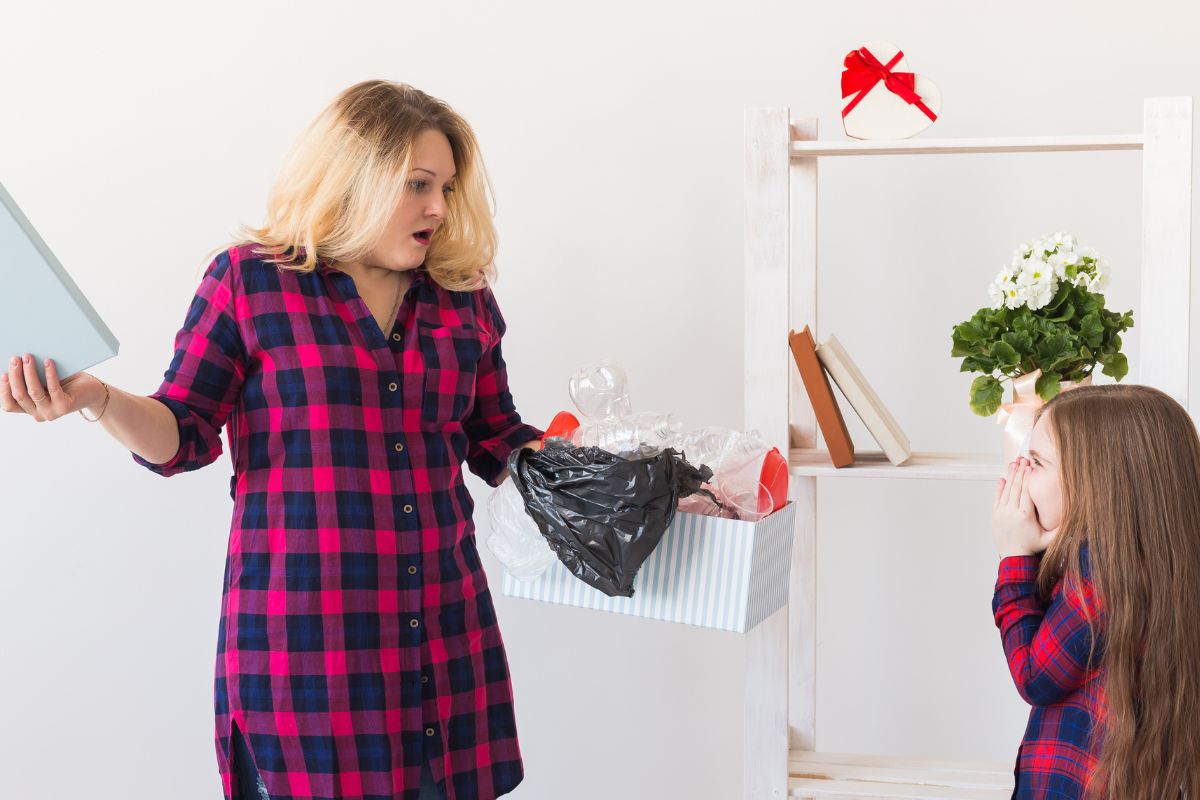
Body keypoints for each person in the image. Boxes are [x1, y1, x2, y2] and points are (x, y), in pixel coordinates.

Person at [2, 80, 544, 800]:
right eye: (418, 184)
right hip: (307, 660)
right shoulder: (250, 282)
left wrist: (632, 482)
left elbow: (500, 440)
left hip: (444, 648)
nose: (439, 208)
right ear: (353, 178)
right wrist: (96, 399)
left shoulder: (462, 296)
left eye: (446, 187)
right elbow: (183, 433)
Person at [990, 383, 1200, 798]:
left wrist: (1014, 556)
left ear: (1097, 483)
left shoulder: (1100, 572)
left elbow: (1035, 677)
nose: (1019, 470)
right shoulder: (1161, 558)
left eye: (1036, 461)